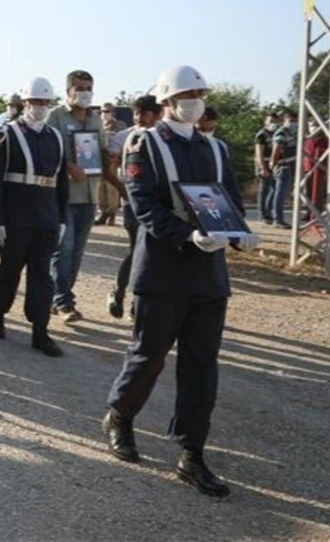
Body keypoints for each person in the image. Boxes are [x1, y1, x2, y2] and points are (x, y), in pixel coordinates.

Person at [104, 64, 256, 498]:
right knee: (148, 356)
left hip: (209, 277)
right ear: (168, 101)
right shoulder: (144, 144)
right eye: (188, 93)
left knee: (201, 365)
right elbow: (144, 206)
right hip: (163, 269)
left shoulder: (216, 149)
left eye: (201, 92)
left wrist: (238, 234)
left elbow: (226, 200)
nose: (196, 100)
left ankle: (192, 452)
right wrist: (189, 235)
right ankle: (120, 416)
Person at [0, 76, 68, 358]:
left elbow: (61, 182)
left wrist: (62, 219)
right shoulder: (6, 135)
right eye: (36, 101)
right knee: (9, 270)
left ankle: (40, 330)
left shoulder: (55, 137)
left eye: (45, 102)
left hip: (46, 216)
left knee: (41, 275)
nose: (41, 106)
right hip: (16, 216)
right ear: (25, 102)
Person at [46, 70, 104, 324]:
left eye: (89, 87)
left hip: (90, 193)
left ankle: (56, 296)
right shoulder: (55, 117)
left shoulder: (97, 120)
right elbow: (46, 152)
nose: (85, 92)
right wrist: (67, 166)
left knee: (77, 252)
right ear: (68, 90)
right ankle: (64, 301)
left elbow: (99, 150)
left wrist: (108, 157)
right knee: (64, 248)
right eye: (79, 88)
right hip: (63, 195)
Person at [105, 95, 161, 319]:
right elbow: (108, 168)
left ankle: (138, 302)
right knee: (137, 251)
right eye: (137, 113)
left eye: (145, 113)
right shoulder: (123, 137)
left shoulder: (163, 137)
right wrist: (123, 190)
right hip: (133, 205)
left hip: (158, 205)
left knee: (154, 254)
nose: (140, 118)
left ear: (156, 115)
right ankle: (119, 295)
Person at [96, 103, 124, 226]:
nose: (105, 113)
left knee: (112, 187)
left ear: (113, 112)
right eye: (103, 111)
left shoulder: (120, 125)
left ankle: (112, 213)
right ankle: (103, 212)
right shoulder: (98, 125)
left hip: (113, 160)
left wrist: (119, 158)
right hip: (98, 159)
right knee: (100, 187)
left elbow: (124, 142)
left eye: (107, 111)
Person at [270, 110, 299, 228]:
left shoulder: (290, 133)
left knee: (283, 193)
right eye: (291, 121)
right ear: (285, 121)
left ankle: (278, 218)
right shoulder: (282, 133)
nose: (294, 123)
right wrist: (273, 162)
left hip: (288, 167)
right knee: (280, 194)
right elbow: (277, 148)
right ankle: (277, 219)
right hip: (283, 166)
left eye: (296, 121)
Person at [254, 112, 280, 225]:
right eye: (270, 121)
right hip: (264, 163)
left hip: (274, 164)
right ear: (265, 122)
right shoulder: (261, 135)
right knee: (264, 190)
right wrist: (262, 168)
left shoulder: (277, 134)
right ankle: (263, 214)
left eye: (275, 121)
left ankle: (269, 212)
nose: (273, 124)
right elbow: (259, 152)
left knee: (274, 189)